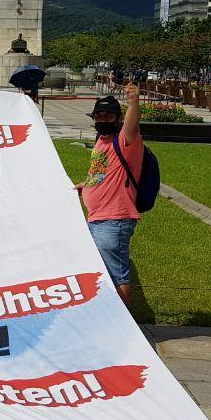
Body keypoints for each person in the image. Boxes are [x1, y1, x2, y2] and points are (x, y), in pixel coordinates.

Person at [76, 82, 143, 306]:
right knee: (101, 270)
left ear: (118, 118)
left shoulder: (125, 141)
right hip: (97, 218)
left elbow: (133, 125)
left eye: (108, 116)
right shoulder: (101, 142)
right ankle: (109, 314)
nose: (102, 120)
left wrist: (134, 102)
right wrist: (86, 185)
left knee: (117, 274)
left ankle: (125, 328)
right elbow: (102, 172)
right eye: (99, 116)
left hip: (114, 219)